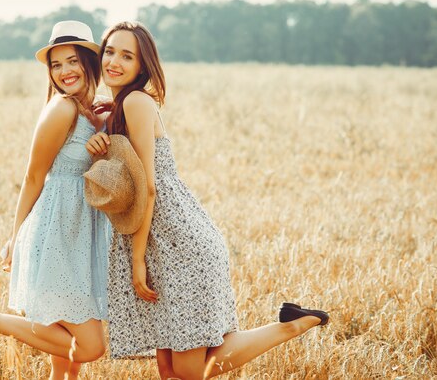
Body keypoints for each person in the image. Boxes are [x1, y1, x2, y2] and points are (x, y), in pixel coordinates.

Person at [84, 21, 329, 380]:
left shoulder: (136, 101)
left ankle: (295, 325)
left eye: (127, 55)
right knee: (168, 369)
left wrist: (137, 259)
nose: (114, 61)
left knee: (189, 369)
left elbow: (148, 187)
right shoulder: (121, 105)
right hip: (159, 241)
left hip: (178, 242)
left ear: (143, 65)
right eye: (109, 51)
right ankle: (294, 321)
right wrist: (99, 138)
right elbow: (124, 174)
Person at [0, 20, 111, 380]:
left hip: (78, 236)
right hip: (55, 236)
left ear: (89, 62)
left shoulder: (92, 109)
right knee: (90, 346)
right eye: (56, 64)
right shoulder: (62, 109)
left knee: (66, 361)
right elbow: (34, 176)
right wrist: (15, 236)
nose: (64, 71)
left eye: (71, 61)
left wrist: (103, 131)